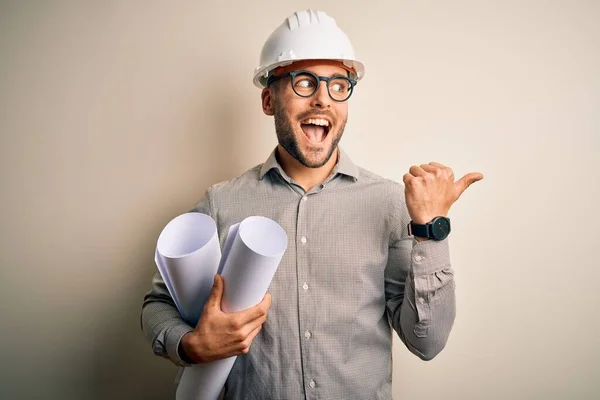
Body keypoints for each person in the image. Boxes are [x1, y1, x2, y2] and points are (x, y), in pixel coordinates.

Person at [141, 9, 483, 400]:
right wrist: (189, 345)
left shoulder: (390, 204)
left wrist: (431, 229)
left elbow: (428, 342)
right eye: (305, 82)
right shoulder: (222, 203)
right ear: (269, 100)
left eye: (339, 85)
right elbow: (158, 305)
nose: (323, 99)